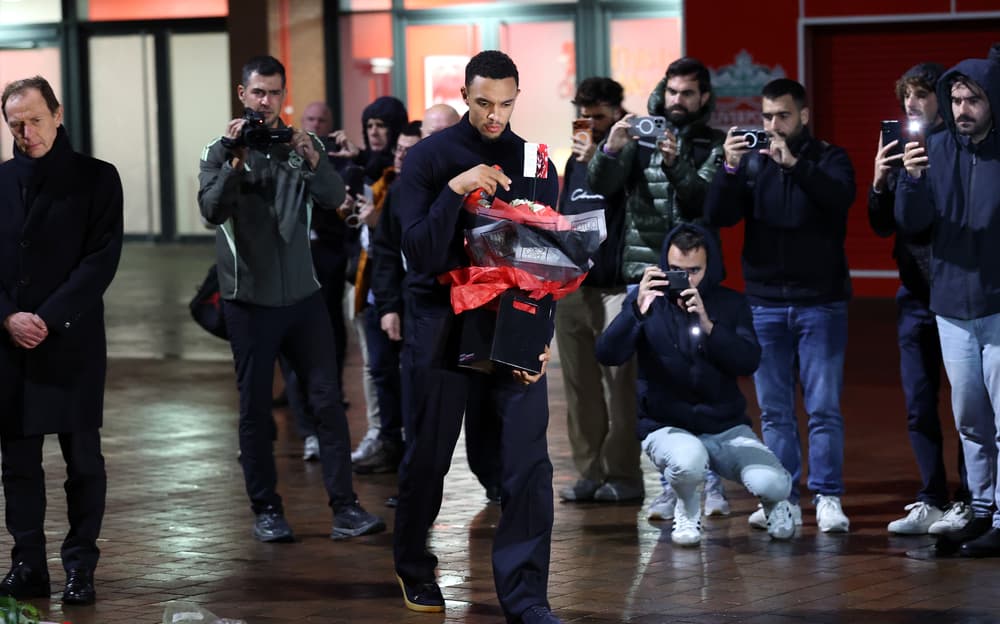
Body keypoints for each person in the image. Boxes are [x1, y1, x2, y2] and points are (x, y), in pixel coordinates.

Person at [392, 50, 561, 623]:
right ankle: (414, 565)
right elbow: (416, 250)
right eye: (484, 102)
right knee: (429, 459)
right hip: (440, 330)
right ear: (465, 94)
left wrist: (543, 338)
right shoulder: (428, 159)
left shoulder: (537, 159)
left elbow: (552, 261)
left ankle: (526, 598)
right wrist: (455, 192)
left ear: (518, 97)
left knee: (527, 467)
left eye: (506, 103)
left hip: (513, 331)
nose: (495, 115)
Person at [198, 55, 384, 543]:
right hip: (248, 301)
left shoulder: (303, 145)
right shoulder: (217, 151)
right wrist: (235, 161)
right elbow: (211, 209)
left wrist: (314, 157)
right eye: (257, 93)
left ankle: (345, 507)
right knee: (255, 410)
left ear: (285, 95)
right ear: (242, 95)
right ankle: (266, 510)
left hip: (303, 299)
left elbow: (332, 198)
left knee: (327, 402)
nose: (266, 102)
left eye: (274, 93)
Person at [705, 78, 856, 533]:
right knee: (773, 411)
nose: (773, 125)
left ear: (803, 116)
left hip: (821, 303)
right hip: (766, 303)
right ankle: (782, 497)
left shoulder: (829, 157)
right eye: (767, 117)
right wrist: (729, 169)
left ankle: (827, 496)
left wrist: (795, 167)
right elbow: (718, 216)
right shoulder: (753, 163)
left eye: (782, 116)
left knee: (824, 407)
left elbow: (840, 199)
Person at [0, 75, 123, 605]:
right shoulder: (0, 182)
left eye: (33, 120)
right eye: (15, 124)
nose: (26, 133)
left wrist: (45, 318)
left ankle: (80, 567)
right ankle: (27, 564)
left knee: (84, 462)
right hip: (9, 345)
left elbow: (100, 261)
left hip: (69, 342)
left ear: (57, 114)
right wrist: (8, 317)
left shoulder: (97, 178)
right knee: (19, 464)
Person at [586, 57, 729, 513]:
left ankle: (712, 485)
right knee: (651, 383)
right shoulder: (640, 134)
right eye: (672, 92)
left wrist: (676, 164)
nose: (678, 101)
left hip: (695, 274)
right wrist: (611, 148)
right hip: (643, 271)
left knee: (701, 378)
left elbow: (702, 200)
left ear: (703, 98)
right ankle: (670, 484)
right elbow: (601, 187)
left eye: (688, 93)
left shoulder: (714, 142)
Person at [596, 224, 795, 546]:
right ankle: (687, 510)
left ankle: (775, 504)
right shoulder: (646, 303)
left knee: (773, 482)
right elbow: (607, 354)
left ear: (710, 267)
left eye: (693, 271)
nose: (684, 279)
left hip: (725, 427)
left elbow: (748, 361)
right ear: (663, 267)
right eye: (675, 270)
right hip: (667, 426)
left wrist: (709, 325)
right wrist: (636, 311)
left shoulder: (730, 304)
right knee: (689, 460)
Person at [894, 45, 1000, 557]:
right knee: (972, 419)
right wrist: (911, 181)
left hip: (998, 306)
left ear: (991, 102)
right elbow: (912, 224)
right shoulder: (933, 150)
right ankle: (981, 508)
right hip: (952, 307)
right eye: (955, 99)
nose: (961, 109)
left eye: (972, 100)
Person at [869, 63, 971, 536]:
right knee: (919, 402)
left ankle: (971, 499)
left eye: (922, 95)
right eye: (906, 95)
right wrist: (880, 181)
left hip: (957, 295)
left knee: (969, 405)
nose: (911, 104)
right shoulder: (899, 150)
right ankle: (931, 497)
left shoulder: (958, 150)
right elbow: (883, 225)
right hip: (913, 296)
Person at [554, 77, 641, 505]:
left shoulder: (631, 153)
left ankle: (624, 475)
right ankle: (588, 471)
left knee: (621, 388)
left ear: (617, 114)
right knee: (579, 387)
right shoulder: (573, 160)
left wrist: (602, 159)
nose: (589, 123)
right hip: (573, 285)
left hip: (613, 286)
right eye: (583, 115)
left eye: (599, 116)